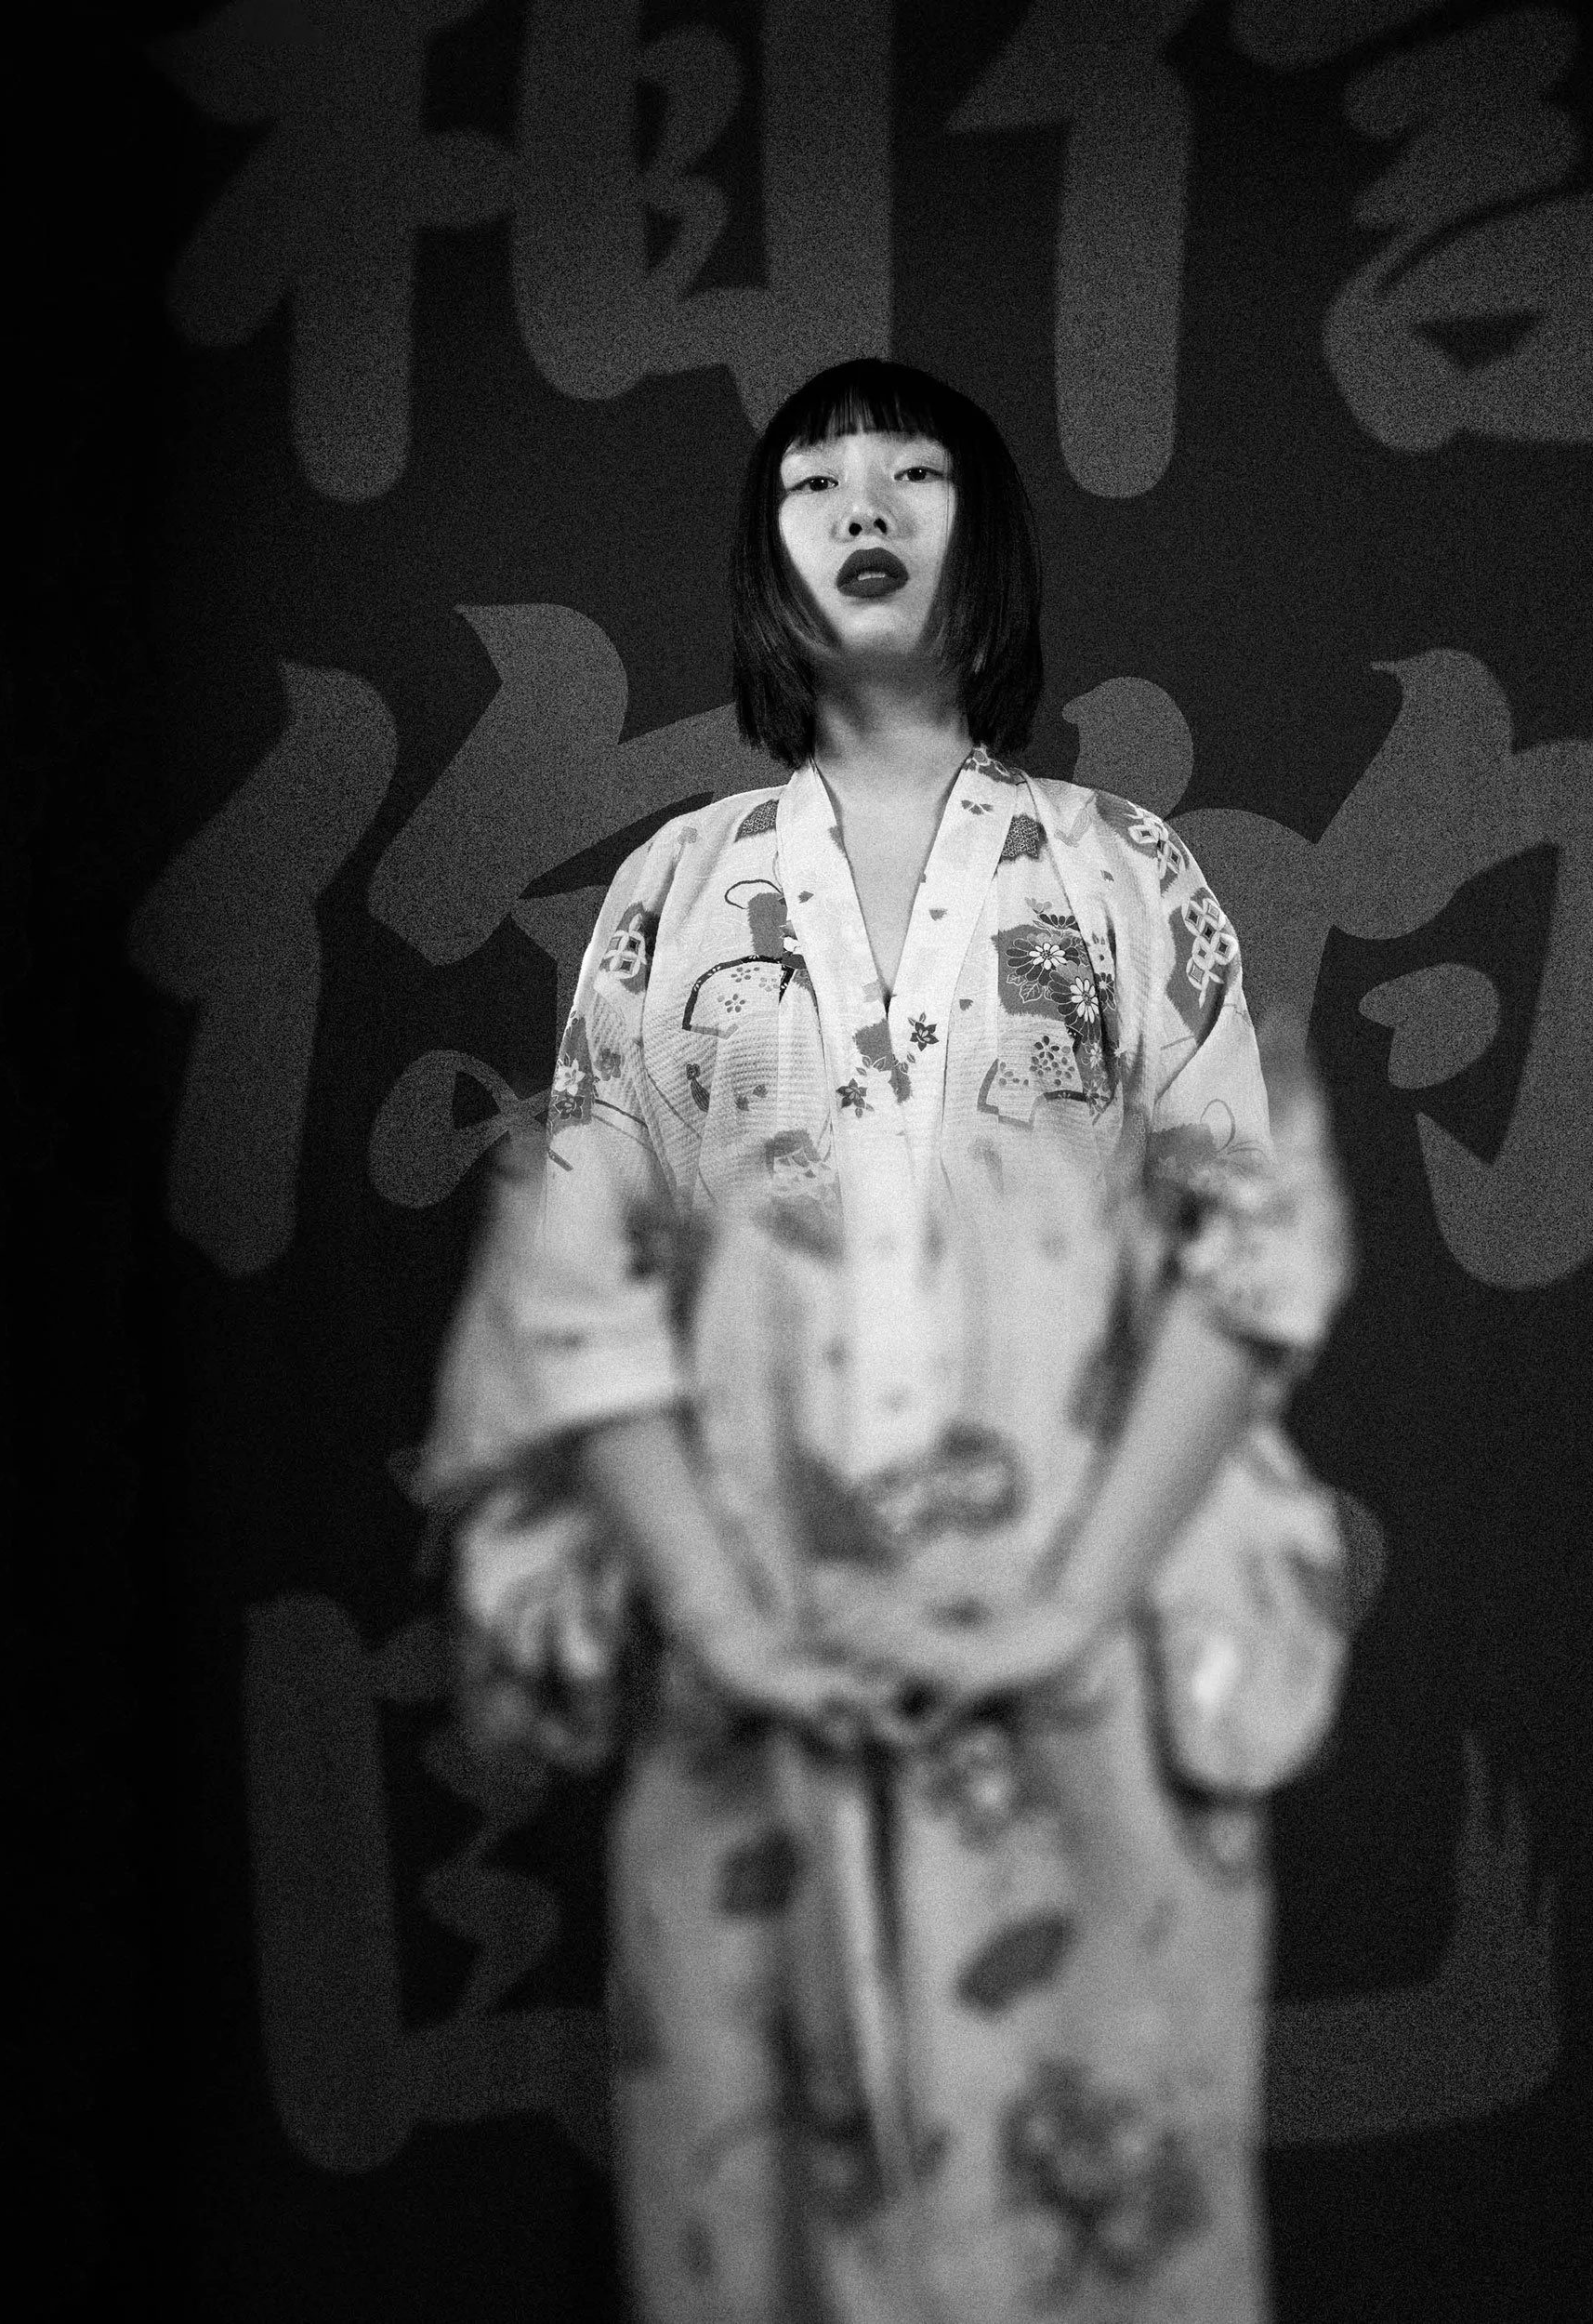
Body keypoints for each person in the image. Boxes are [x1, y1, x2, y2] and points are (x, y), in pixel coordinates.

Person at [418, 360, 1360, 2322]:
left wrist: (1069, 1598)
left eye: (915, 473)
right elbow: (578, 1295)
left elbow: (1232, 1269)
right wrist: (719, 1606)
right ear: (767, 553)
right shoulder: (670, 896)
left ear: (982, 536)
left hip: (1065, 1647)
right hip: (755, 1646)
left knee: (1088, 2207)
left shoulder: (1125, 874)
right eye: (817, 478)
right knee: (762, 2227)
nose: (866, 504)